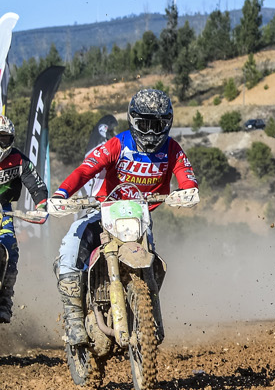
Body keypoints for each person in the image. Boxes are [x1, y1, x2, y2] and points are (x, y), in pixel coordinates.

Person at [48, 90, 199, 350]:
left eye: (158, 125)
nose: (151, 132)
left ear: (168, 123)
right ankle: (73, 319)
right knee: (70, 247)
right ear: (133, 120)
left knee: (155, 265)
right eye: (145, 124)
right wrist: (62, 193)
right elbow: (85, 170)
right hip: (103, 212)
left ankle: (145, 320)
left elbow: (186, 176)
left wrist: (187, 191)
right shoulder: (118, 144)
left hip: (140, 219)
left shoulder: (172, 149)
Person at [0, 115, 49, 323]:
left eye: (4, 138)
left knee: (11, 250)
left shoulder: (19, 160)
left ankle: (5, 301)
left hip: (3, 210)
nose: (0, 143)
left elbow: (36, 185)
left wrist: (42, 205)